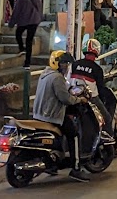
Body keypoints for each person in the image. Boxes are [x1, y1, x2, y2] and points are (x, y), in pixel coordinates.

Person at [32, 51, 91, 183]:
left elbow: (63, 90)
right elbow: (65, 98)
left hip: (40, 114)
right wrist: (79, 100)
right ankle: (76, 169)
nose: (66, 66)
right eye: (64, 63)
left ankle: (52, 165)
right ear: (57, 63)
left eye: (67, 64)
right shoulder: (57, 78)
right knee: (74, 134)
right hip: (52, 116)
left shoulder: (45, 74)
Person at [10, 0, 42, 67]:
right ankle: (27, 62)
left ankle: (21, 48)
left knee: (18, 33)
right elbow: (39, 8)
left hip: (24, 21)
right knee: (29, 41)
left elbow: (16, 11)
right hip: (34, 21)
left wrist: (11, 23)